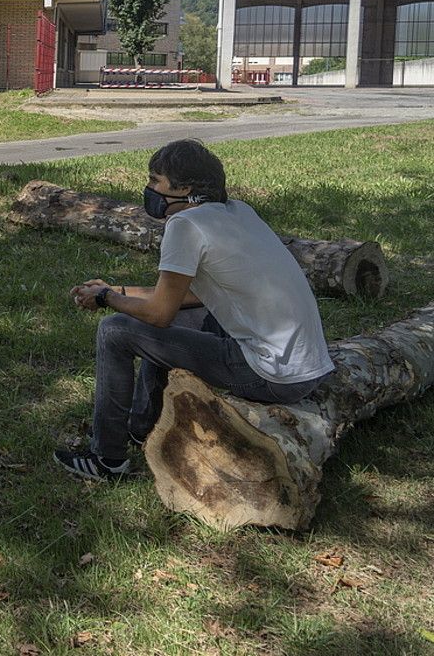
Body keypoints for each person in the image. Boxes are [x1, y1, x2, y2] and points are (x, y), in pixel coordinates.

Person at [54, 139, 334, 481]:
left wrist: (106, 299)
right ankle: (143, 428)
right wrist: (117, 290)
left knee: (116, 330)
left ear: (184, 188)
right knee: (167, 325)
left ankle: (106, 460)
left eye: (156, 180)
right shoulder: (239, 212)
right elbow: (187, 297)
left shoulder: (185, 226)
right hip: (308, 367)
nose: (149, 188)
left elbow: (159, 314)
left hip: (271, 375)